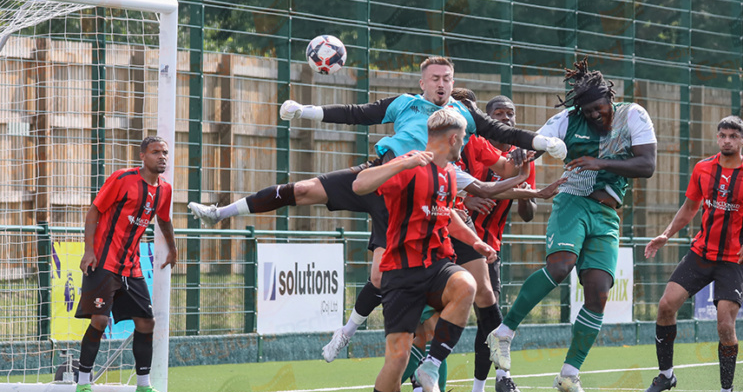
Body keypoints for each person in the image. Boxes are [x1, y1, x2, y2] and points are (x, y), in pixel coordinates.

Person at [187, 57, 565, 358]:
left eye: (447, 78)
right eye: (434, 78)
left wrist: (543, 142)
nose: (441, 83)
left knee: (392, 278)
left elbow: (504, 136)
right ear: (422, 83)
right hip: (378, 176)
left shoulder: (463, 117)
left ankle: (353, 334)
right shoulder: (404, 104)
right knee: (302, 189)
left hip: (413, 200)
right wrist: (306, 112)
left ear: (453, 83)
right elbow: (357, 113)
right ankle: (219, 213)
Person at [486, 58, 657, 392]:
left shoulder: (633, 115)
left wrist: (601, 162)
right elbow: (538, 141)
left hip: (607, 214)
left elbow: (647, 165)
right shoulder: (566, 119)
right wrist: (525, 151)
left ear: (610, 97)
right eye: (588, 111)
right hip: (573, 203)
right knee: (561, 266)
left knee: (598, 293)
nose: (596, 115)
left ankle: (569, 374)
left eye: (600, 108)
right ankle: (504, 332)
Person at [352, 107, 496, 392]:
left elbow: (446, 215)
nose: (465, 143)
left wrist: (474, 240)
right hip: (400, 275)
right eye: (465, 139)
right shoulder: (410, 165)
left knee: (467, 285)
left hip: (435, 266)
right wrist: (401, 163)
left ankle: (430, 367)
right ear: (455, 138)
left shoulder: (448, 173)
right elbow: (359, 185)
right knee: (397, 357)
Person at [642, 116, 743, 392]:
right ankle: (666, 375)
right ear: (717, 138)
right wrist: (666, 234)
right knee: (666, 305)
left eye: (733, 135)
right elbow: (691, 206)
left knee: (724, 324)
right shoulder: (703, 168)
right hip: (701, 254)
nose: (727, 140)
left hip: (734, 260)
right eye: (722, 135)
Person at [74, 136, 178, 392]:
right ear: (142, 156)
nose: (162, 156)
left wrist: (173, 248)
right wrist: (89, 250)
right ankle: (83, 385)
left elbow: (164, 220)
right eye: (156, 152)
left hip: (131, 267)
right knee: (99, 320)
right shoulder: (122, 179)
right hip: (103, 263)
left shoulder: (164, 190)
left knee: (146, 322)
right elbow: (94, 211)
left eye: (165, 152)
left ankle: (143, 386)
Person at [459, 95, 539, 392]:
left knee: (487, 320)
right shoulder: (472, 144)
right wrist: (470, 199)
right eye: (499, 114)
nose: (506, 119)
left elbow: (529, 212)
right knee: (432, 320)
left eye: (511, 114)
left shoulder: (518, 156)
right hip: (455, 242)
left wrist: (525, 176)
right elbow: (453, 188)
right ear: (485, 118)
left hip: (488, 248)